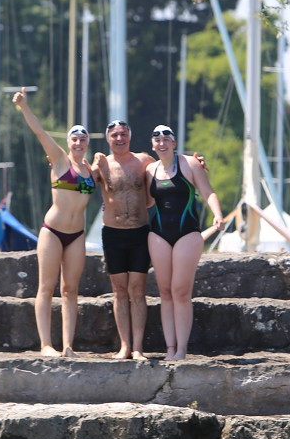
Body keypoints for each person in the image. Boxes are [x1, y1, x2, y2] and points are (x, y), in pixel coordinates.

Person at [13, 87, 95, 357]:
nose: (78, 142)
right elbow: (39, 132)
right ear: (69, 142)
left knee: (70, 290)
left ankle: (69, 345)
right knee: (47, 287)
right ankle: (46, 344)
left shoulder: (92, 170)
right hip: (53, 231)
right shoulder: (60, 159)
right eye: (75, 138)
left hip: (77, 234)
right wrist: (24, 106)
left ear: (88, 143)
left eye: (83, 139)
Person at [145, 124, 223, 361]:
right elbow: (146, 202)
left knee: (180, 290)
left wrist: (217, 213)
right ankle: (170, 348)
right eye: (157, 138)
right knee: (165, 291)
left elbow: (208, 192)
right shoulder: (149, 169)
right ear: (152, 144)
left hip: (187, 233)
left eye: (166, 138)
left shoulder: (190, 164)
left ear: (174, 143)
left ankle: (182, 349)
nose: (162, 142)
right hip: (158, 234)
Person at [91, 120, 154, 360]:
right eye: (115, 135)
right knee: (119, 290)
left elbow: (169, 168)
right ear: (108, 138)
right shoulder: (102, 164)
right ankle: (124, 346)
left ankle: (138, 347)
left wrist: (197, 163)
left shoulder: (144, 160)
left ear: (130, 136)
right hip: (113, 232)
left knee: (137, 289)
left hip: (139, 231)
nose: (119, 138)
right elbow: (81, 179)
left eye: (123, 134)